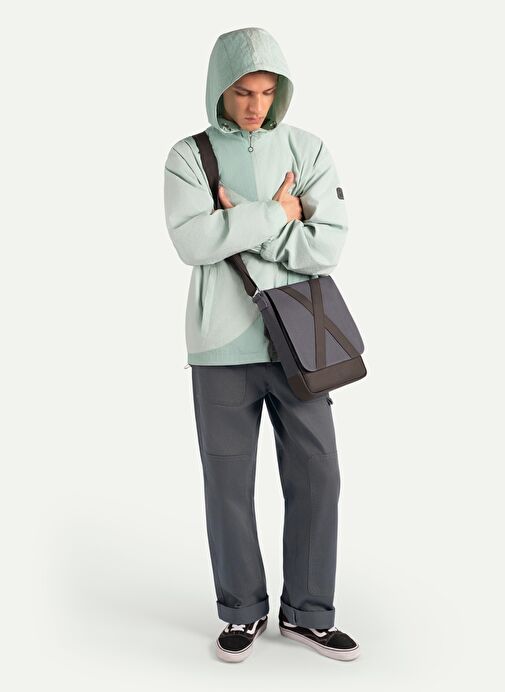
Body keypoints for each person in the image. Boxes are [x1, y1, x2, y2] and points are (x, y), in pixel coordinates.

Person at [164, 26, 360, 663]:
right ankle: (242, 610)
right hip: (220, 345)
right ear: (219, 89)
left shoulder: (308, 149)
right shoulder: (189, 157)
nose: (255, 105)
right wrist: (279, 213)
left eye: (267, 92)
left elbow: (326, 247)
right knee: (227, 484)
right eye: (243, 92)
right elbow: (193, 242)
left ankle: (308, 613)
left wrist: (239, 223)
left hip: (299, 342)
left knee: (319, 474)